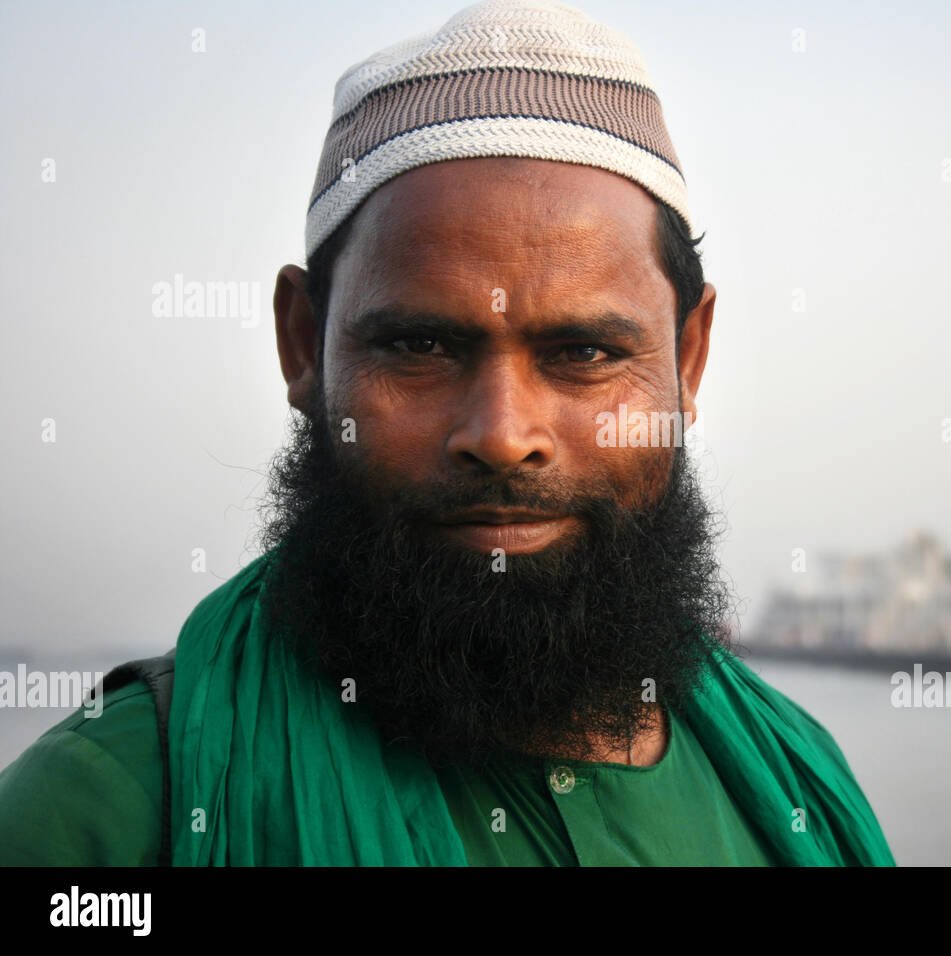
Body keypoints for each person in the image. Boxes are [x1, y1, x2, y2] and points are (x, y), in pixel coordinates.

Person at [0, 0, 894, 867]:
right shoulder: (109, 808)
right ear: (302, 346)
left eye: (583, 351)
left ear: (688, 360)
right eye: (420, 345)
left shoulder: (795, 785)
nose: (503, 437)